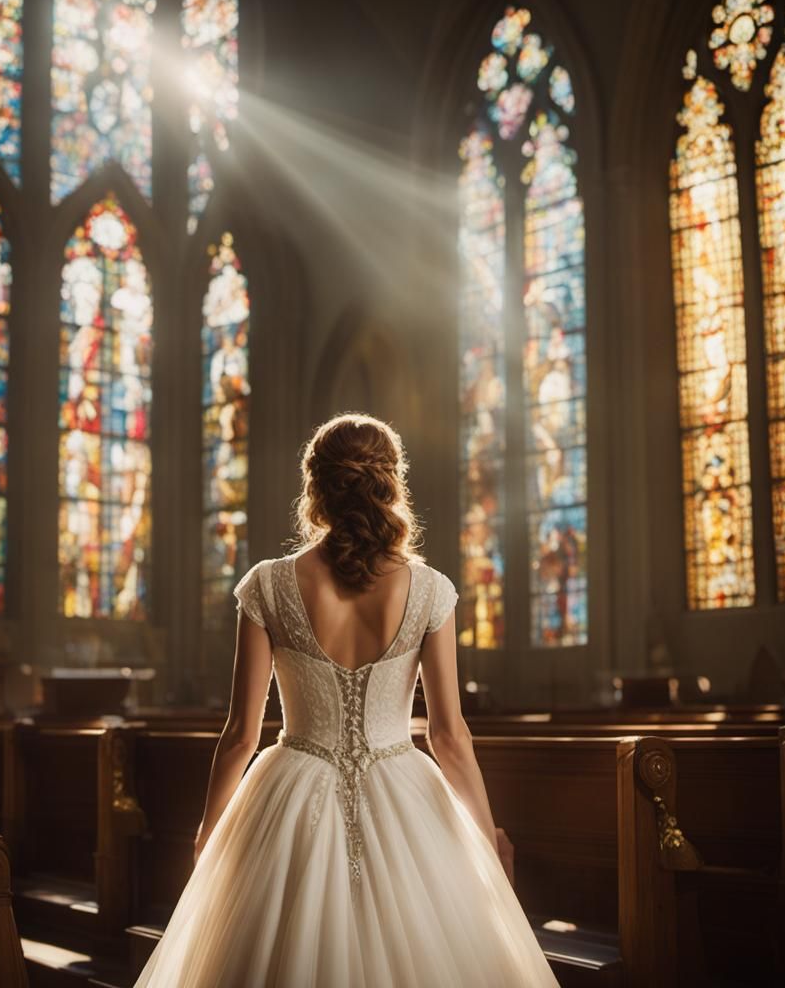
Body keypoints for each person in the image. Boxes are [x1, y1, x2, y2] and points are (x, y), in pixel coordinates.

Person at [134, 413, 558, 986]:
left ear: (316, 487)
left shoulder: (268, 584)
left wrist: (210, 832)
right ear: (391, 482)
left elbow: (240, 734)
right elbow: (448, 736)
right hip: (403, 785)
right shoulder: (430, 589)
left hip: (290, 786)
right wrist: (487, 838)